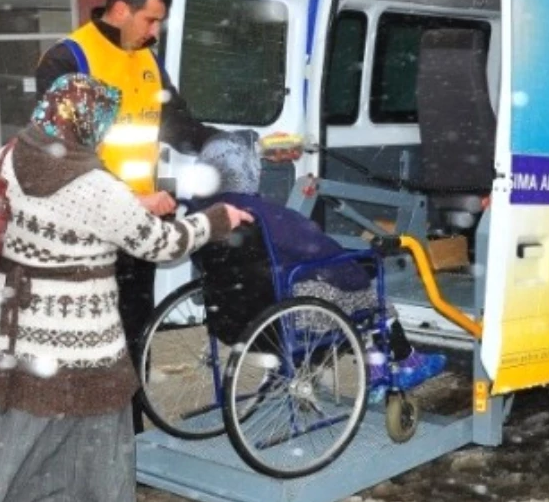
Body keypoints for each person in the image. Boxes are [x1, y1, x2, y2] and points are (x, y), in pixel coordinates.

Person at [0, 75, 253, 502]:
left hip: (16, 338)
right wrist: (218, 218)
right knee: (106, 444)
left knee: (41, 447)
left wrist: (132, 205)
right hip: (79, 343)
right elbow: (160, 245)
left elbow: (56, 219)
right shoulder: (88, 181)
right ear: (86, 122)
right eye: (103, 121)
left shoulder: (6, 157)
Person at [35, 0, 233, 432]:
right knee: (90, 343)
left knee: (134, 334)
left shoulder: (147, 60)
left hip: (134, 228)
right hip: (83, 231)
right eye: (150, 20)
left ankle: (128, 443)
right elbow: (61, 151)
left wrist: (238, 143)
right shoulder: (69, 60)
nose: (155, 31)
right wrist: (126, 199)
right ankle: (90, 445)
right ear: (120, 9)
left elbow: (180, 127)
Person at [191, 131, 446, 399]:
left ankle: (376, 369)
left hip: (233, 317)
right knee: (370, 295)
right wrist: (359, 270)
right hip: (289, 316)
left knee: (320, 284)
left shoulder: (202, 215)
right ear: (245, 168)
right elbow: (319, 249)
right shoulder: (266, 214)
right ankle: (404, 362)